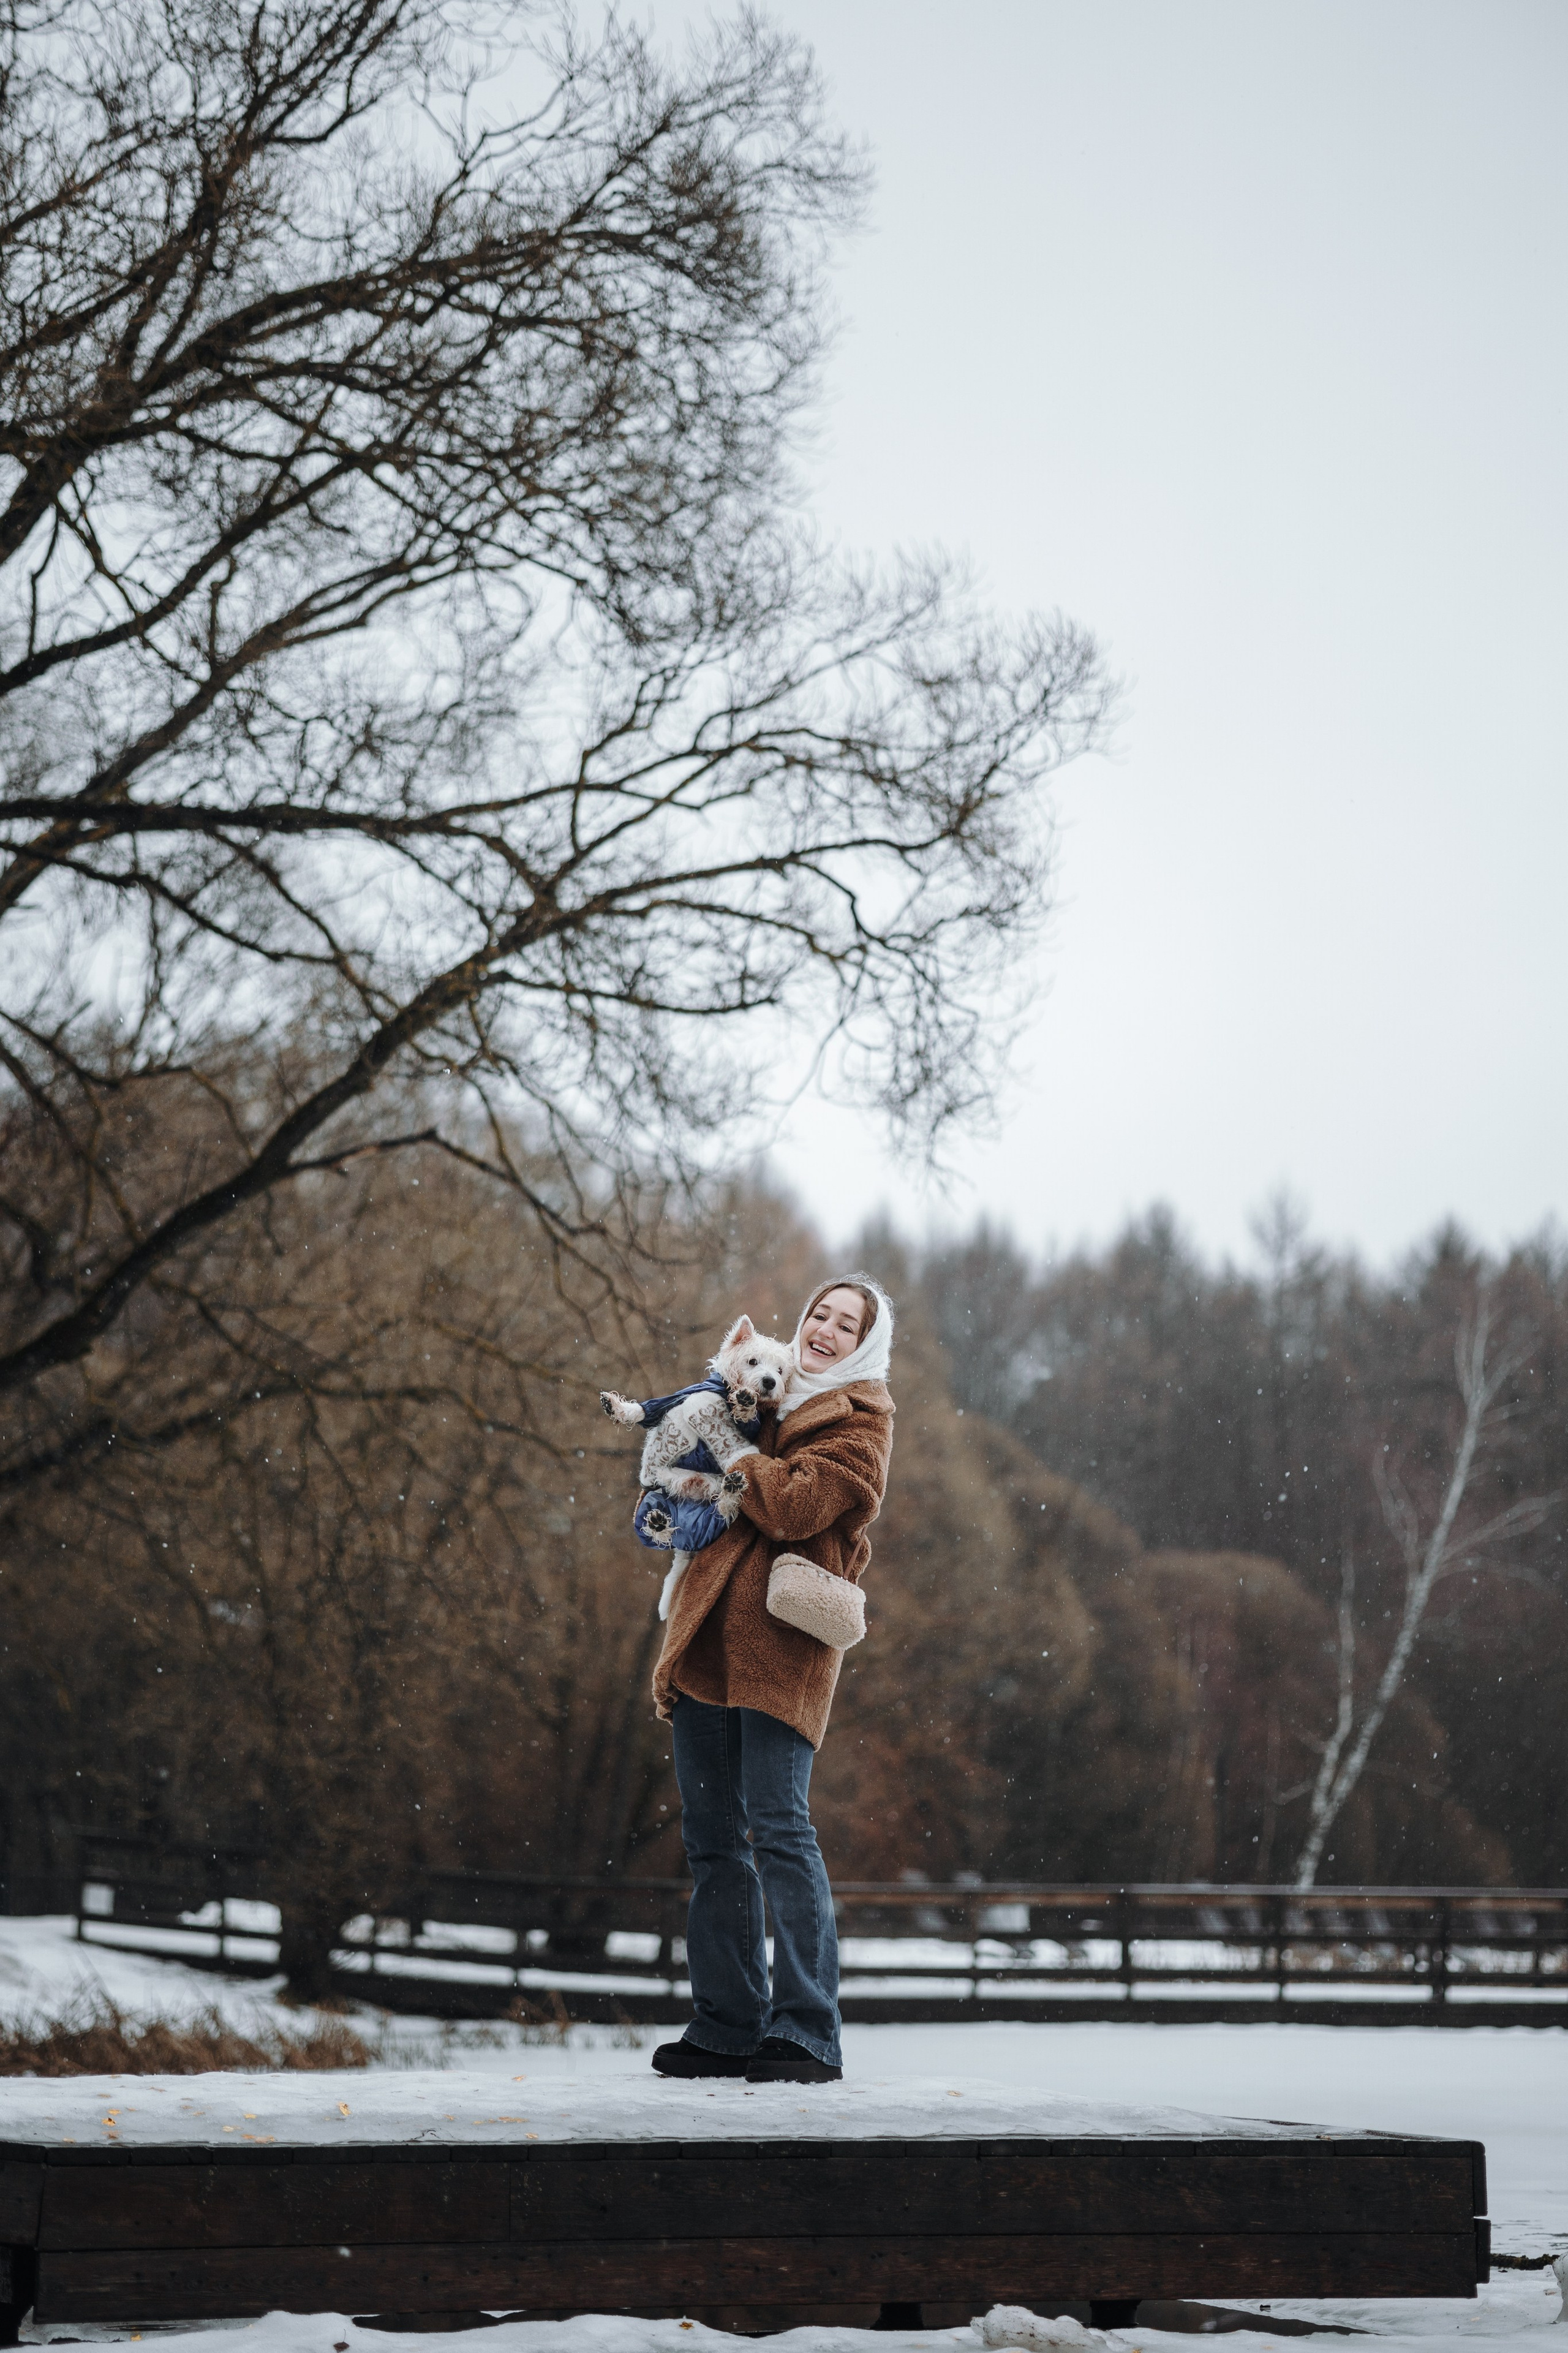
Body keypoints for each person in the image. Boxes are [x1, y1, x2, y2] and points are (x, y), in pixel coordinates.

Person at [649, 1274, 895, 2085]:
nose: (825, 1328)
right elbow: (691, 1461)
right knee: (712, 1839)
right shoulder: (763, 1391)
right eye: (820, 1313)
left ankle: (808, 2029)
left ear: (865, 1344)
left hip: (784, 1647)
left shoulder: (862, 1423)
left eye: (846, 1323)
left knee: (781, 1830)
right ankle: (727, 2023)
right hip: (707, 1634)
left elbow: (792, 1507)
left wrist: (734, 1455)